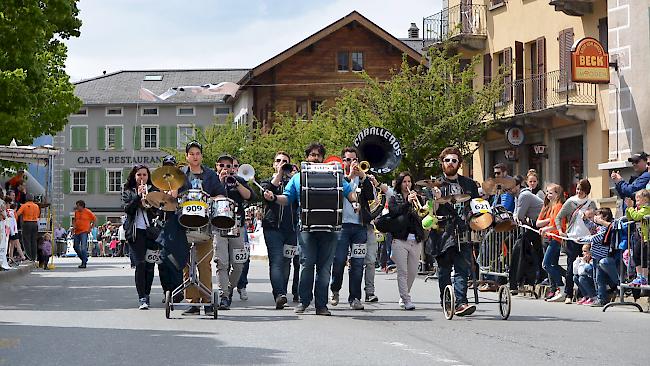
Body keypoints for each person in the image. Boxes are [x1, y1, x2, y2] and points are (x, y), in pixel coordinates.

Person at [269, 142, 356, 316]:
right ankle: (304, 301)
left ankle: (321, 305)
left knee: (324, 268)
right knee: (306, 265)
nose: (315, 158)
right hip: (306, 228)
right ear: (307, 157)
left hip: (330, 228)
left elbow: (348, 192)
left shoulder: (335, 175)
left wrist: (355, 201)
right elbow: (287, 198)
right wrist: (273, 198)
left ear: (323, 158)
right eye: (312, 155)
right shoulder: (298, 177)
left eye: (318, 155)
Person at [430, 148, 480, 315]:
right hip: (443, 232)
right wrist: (436, 199)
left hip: (462, 230)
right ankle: (447, 300)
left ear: (459, 164)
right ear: (442, 163)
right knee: (444, 270)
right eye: (447, 160)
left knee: (462, 268)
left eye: (454, 161)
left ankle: (461, 303)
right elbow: (431, 212)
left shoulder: (469, 184)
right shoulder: (434, 185)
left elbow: (475, 207)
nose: (450, 163)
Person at [179, 141, 227, 315]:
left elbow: (221, 194)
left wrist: (214, 199)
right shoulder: (180, 174)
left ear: (201, 156)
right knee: (186, 264)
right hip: (184, 224)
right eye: (191, 153)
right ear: (187, 156)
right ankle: (192, 302)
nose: (195, 156)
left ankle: (207, 300)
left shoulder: (210, 175)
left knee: (203, 263)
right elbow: (173, 195)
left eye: (197, 153)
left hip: (205, 224)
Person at [329, 147, 375, 310]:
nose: (351, 163)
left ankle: (355, 297)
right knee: (339, 260)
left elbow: (372, 197)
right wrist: (349, 177)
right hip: (342, 226)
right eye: (348, 160)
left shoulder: (364, 178)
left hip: (360, 226)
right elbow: (336, 193)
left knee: (357, 263)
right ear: (343, 161)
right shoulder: (338, 177)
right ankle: (335, 289)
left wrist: (362, 177)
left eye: (354, 160)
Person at [213, 154, 255, 310]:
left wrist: (236, 183)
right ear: (216, 166)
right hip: (218, 226)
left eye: (228, 166)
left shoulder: (238, 181)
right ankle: (224, 295)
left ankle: (229, 287)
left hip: (237, 226)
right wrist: (219, 182)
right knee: (221, 262)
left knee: (239, 263)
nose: (225, 169)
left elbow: (250, 196)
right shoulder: (212, 181)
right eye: (221, 165)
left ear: (232, 167)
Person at [261, 151, 299, 309]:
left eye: (285, 161)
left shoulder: (295, 182)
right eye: (278, 161)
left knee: (286, 262)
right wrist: (279, 174)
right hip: (272, 227)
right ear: (274, 164)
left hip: (291, 228)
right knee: (276, 261)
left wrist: (296, 176)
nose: (281, 163)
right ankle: (279, 294)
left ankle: (282, 292)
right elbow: (266, 191)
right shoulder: (266, 181)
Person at [388, 172, 426, 311]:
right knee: (402, 272)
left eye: (409, 181)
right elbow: (394, 212)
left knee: (412, 272)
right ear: (400, 183)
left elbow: (423, 213)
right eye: (404, 182)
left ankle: (404, 294)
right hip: (400, 239)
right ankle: (406, 299)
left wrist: (419, 201)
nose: (407, 184)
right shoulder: (394, 198)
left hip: (415, 239)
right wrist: (406, 203)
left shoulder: (417, 198)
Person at [554, 179, 597, 303]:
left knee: (585, 267)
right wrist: (560, 231)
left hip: (587, 239)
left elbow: (595, 218)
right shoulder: (570, 202)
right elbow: (559, 217)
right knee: (571, 267)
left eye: (582, 190)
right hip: (573, 238)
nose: (579, 192)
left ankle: (583, 294)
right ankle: (568, 293)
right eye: (578, 189)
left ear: (587, 191)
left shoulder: (591, 203)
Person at [508, 175, 544, 291]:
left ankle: (531, 276)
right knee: (533, 249)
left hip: (539, 224)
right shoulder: (517, 196)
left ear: (518, 186)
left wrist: (521, 219)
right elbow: (516, 214)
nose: (509, 190)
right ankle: (529, 277)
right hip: (533, 224)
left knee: (530, 248)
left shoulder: (524, 195)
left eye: (511, 187)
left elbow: (519, 216)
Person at [538, 184, 566, 301]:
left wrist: (546, 229)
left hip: (556, 238)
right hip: (552, 237)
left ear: (557, 194)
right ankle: (569, 277)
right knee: (553, 264)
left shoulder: (559, 206)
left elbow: (558, 225)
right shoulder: (554, 206)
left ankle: (561, 286)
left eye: (551, 193)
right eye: (547, 193)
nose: (548, 195)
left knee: (546, 264)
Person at [624, 189, 650, 286]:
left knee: (644, 258)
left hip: (646, 237)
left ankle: (644, 277)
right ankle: (639, 276)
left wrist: (631, 208)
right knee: (635, 256)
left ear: (646, 200)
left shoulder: (647, 209)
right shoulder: (638, 209)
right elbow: (630, 217)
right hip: (638, 236)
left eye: (638, 200)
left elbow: (636, 217)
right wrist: (628, 208)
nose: (636, 203)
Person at [72, 200, 96, 268]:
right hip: (77, 231)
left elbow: (94, 219)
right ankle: (84, 259)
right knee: (75, 247)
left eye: (78, 206)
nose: (77, 207)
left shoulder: (88, 212)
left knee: (83, 247)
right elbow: (75, 220)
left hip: (84, 231)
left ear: (81, 206)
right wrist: (74, 227)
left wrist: (91, 227)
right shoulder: (76, 212)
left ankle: (84, 263)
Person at [16, 193, 40, 261]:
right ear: (32, 199)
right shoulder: (36, 206)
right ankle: (34, 257)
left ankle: (29, 256)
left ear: (26, 198)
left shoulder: (24, 205)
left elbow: (18, 213)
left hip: (27, 223)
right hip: (35, 223)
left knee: (27, 240)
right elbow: (38, 215)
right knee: (34, 241)